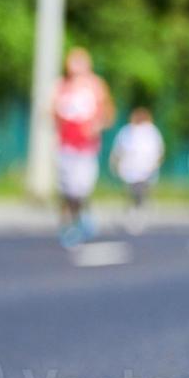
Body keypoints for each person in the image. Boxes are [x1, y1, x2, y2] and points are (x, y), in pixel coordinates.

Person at [51, 47, 114, 248]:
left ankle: (80, 217)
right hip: (66, 144)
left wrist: (96, 126)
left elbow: (108, 113)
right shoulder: (61, 86)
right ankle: (68, 224)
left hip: (87, 147)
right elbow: (53, 112)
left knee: (81, 186)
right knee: (67, 187)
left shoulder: (96, 86)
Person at [109, 108, 163, 234]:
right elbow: (119, 150)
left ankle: (139, 211)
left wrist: (154, 165)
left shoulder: (151, 132)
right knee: (133, 192)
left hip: (145, 169)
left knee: (140, 192)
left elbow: (158, 151)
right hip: (130, 169)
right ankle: (134, 212)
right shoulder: (127, 131)